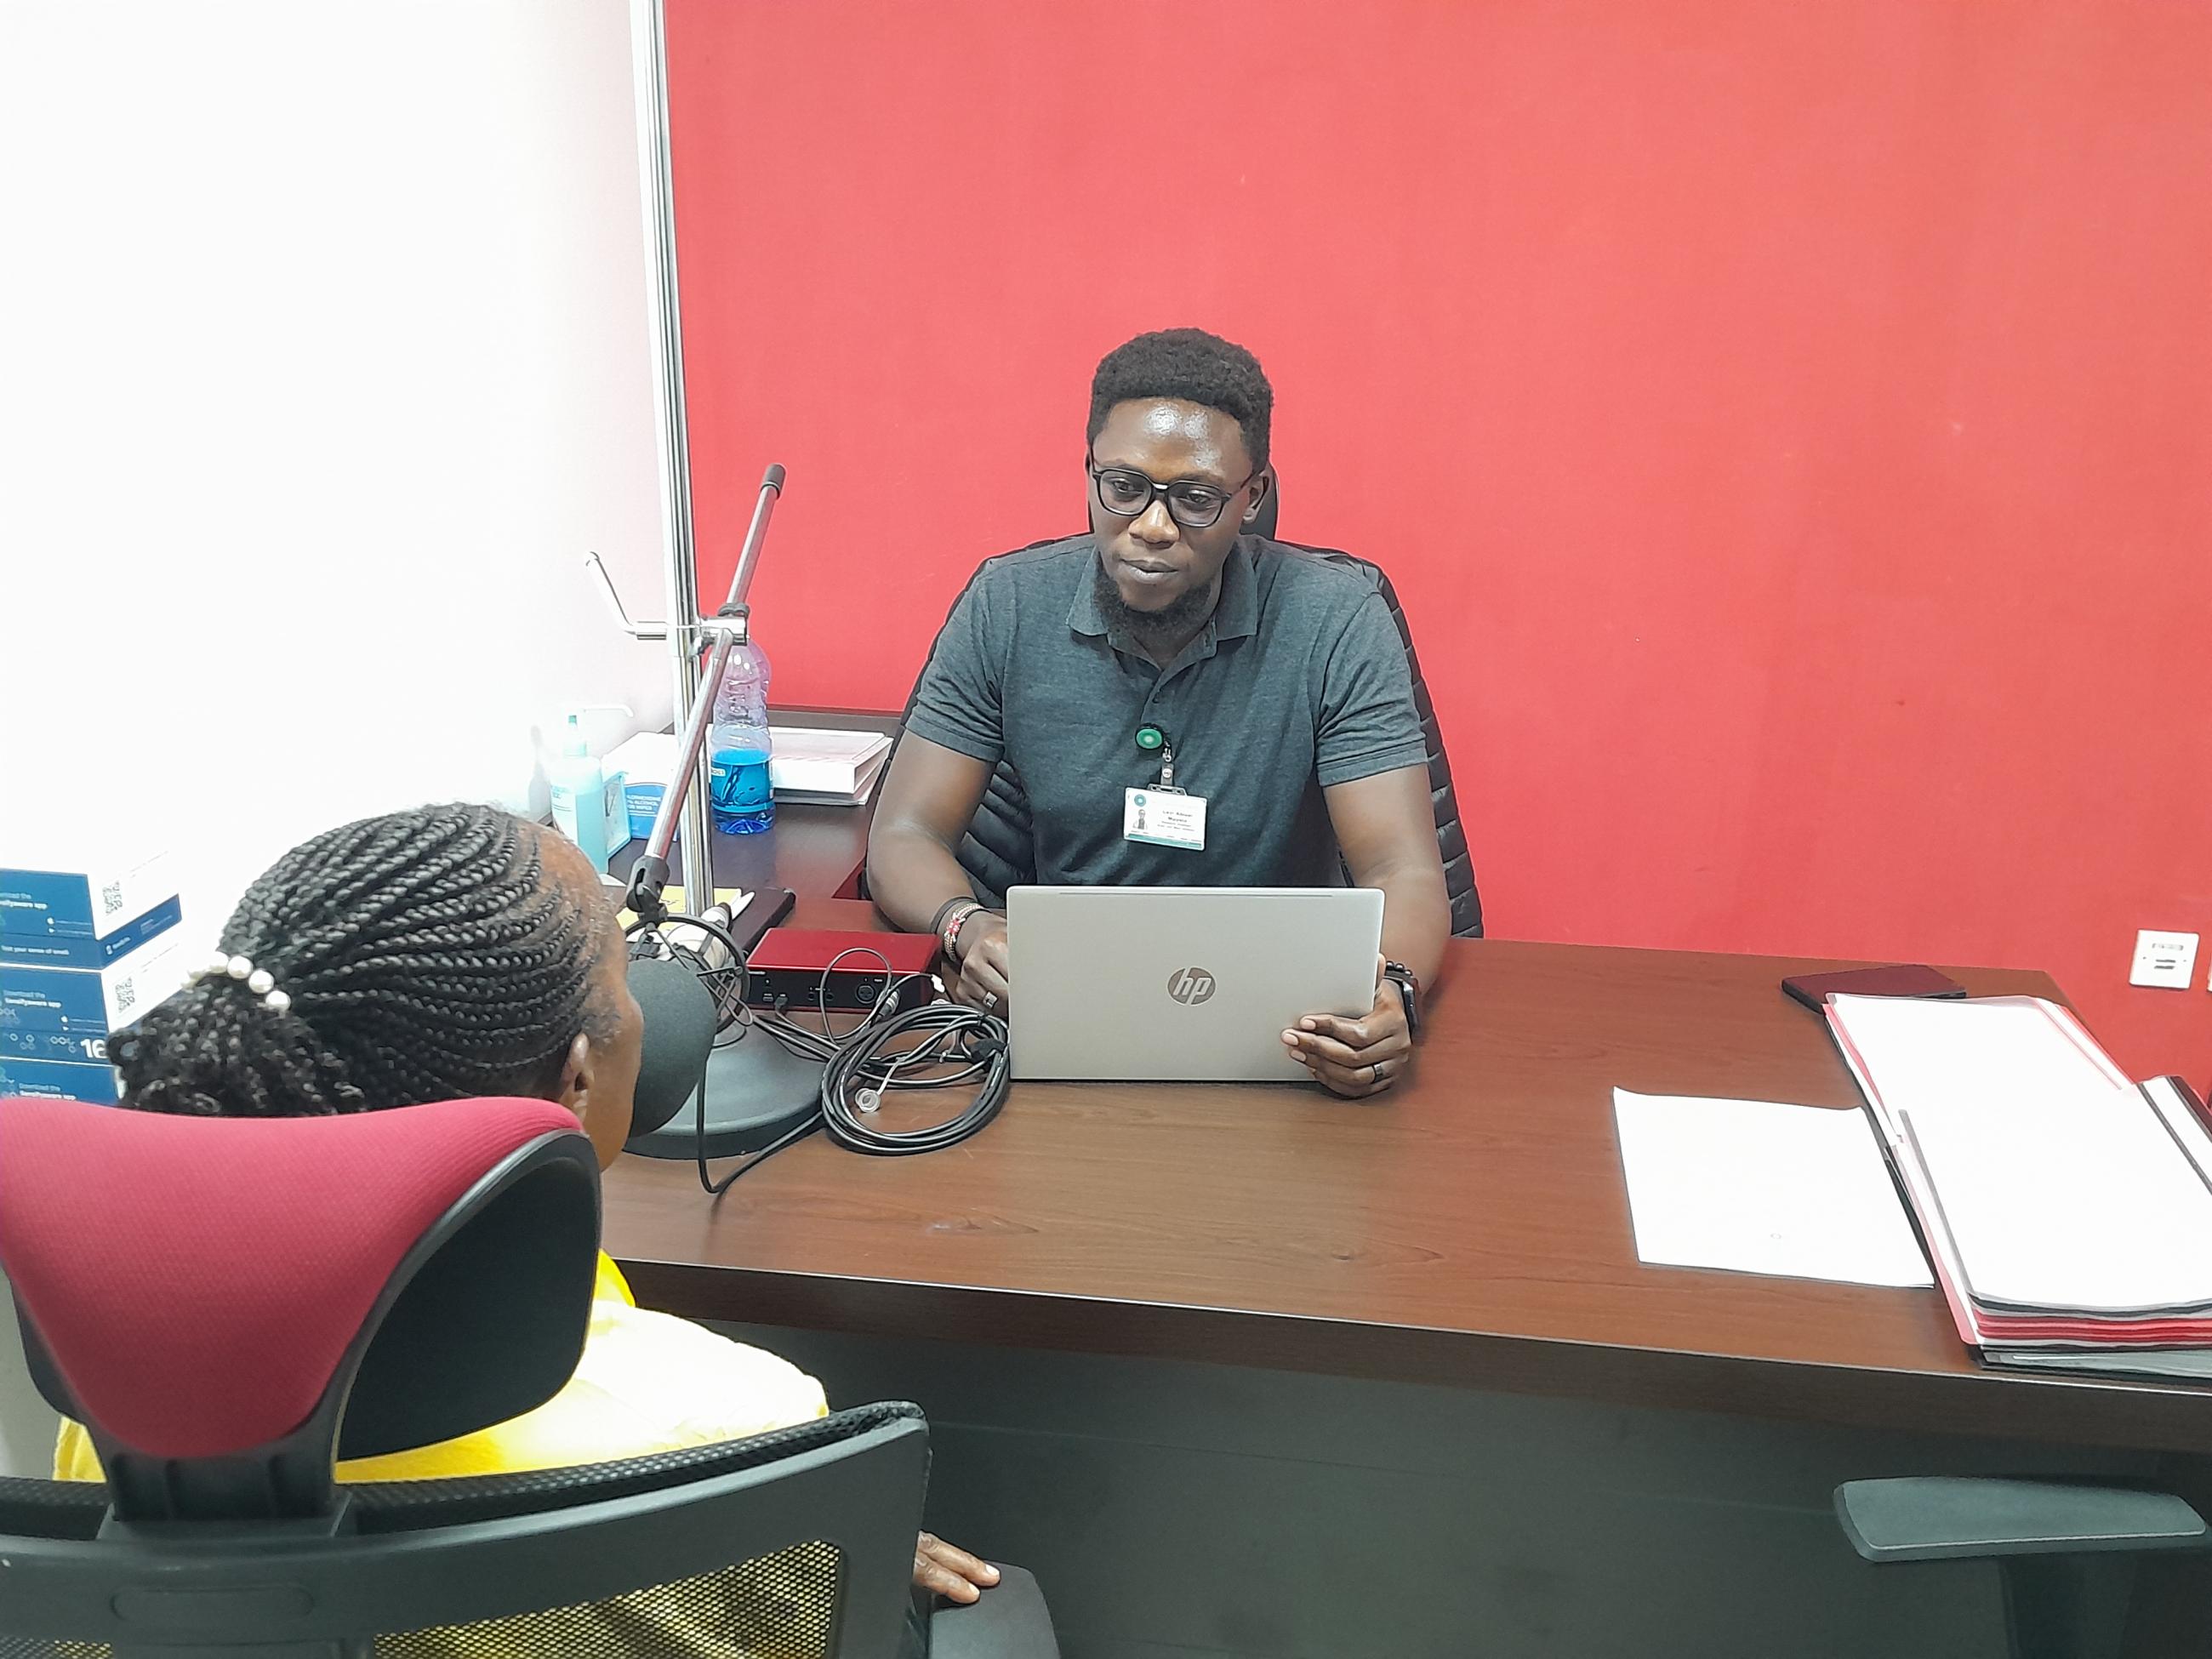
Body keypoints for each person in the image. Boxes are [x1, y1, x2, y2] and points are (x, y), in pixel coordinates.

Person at [60, 803, 997, 1628]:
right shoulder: (725, 1434)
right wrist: (841, 1542)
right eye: (622, 979)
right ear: (581, 1083)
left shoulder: (121, 1413)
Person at [868, 328, 1451, 1097]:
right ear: (1088, 476)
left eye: (1197, 498)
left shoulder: (1335, 618)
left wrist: (1393, 993)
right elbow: (905, 834)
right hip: (1058, 1024)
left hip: (1283, 1035)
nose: (1151, 524)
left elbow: (1401, 868)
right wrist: (963, 925)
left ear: (1254, 497)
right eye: (1123, 487)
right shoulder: (1007, 604)